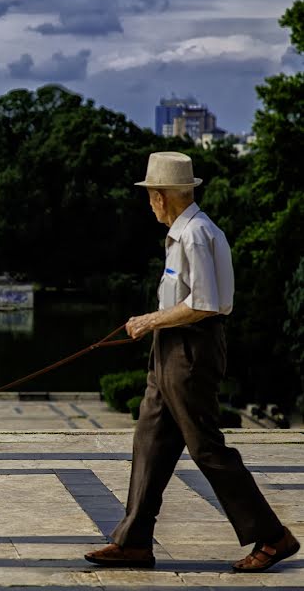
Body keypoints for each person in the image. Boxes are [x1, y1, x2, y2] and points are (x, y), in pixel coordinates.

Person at [85, 152, 299, 572]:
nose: (149, 204)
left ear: (163, 197)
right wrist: (156, 327)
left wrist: (150, 320)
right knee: (150, 438)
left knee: (205, 446)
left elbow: (205, 304)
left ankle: (273, 537)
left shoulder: (197, 234)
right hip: (170, 347)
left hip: (191, 350)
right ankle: (134, 541)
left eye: (150, 196)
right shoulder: (183, 234)